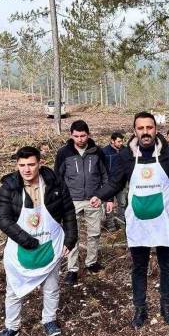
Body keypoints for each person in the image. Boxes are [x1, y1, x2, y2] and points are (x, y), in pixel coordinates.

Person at [90, 111, 169, 329]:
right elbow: (115, 183)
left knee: (167, 264)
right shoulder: (125, 156)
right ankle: (140, 307)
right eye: (141, 128)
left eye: (149, 128)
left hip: (165, 219)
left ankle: (165, 305)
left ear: (156, 129)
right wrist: (101, 195)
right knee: (138, 266)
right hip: (138, 221)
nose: (146, 132)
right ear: (135, 131)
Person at [0, 146, 78, 336]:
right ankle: (11, 327)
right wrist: (26, 240)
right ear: (17, 165)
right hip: (21, 248)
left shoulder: (55, 184)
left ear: (40, 163)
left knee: (51, 287)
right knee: (13, 290)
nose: (26, 169)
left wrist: (70, 239)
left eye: (31, 164)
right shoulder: (9, 188)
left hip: (50, 245)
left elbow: (68, 212)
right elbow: (3, 219)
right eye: (22, 165)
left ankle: (49, 320)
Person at [55, 120, 112, 285]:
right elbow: (57, 178)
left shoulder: (97, 152)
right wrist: (59, 200)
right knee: (72, 235)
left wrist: (107, 197)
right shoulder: (64, 153)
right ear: (71, 135)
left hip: (93, 200)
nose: (80, 139)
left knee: (94, 233)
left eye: (83, 135)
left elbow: (106, 176)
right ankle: (72, 269)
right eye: (76, 136)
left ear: (88, 134)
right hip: (71, 201)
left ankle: (91, 262)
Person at [102, 131, 128, 229]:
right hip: (109, 183)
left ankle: (122, 224)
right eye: (119, 141)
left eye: (122, 141)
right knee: (109, 205)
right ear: (112, 141)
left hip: (122, 183)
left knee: (123, 204)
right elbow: (102, 169)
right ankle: (110, 225)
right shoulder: (105, 152)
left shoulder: (125, 151)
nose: (121, 143)